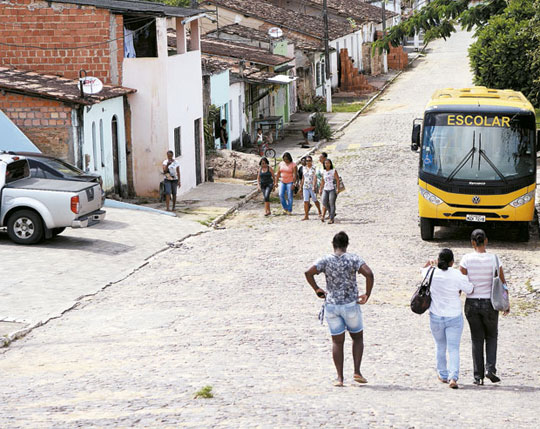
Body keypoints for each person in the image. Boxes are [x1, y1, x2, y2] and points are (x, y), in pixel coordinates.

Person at [305, 231, 374, 387]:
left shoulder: (325, 260)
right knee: (357, 337)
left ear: (333, 244)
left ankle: (340, 378)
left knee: (337, 342)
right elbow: (369, 274)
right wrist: (367, 294)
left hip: (332, 306)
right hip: (350, 304)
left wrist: (317, 289)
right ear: (347, 244)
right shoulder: (354, 259)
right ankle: (357, 371)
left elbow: (308, 272)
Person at [460, 229, 509, 386]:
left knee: (476, 339)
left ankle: (477, 376)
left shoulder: (466, 259)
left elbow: (460, 283)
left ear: (472, 243)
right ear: (486, 241)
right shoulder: (494, 259)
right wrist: (506, 302)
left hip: (472, 304)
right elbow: (502, 283)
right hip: (490, 304)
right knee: (492, 336)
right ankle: (490, 369)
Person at [423, 249, 474, 389]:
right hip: (454, 315)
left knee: (440, 345)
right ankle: (453, 377)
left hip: (436, 315)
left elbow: (422, 271)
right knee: (453, 348)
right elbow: (469, 289)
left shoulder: (431, 272)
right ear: (452, 262)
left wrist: (428, 264)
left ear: (438, 260)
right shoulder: (457, 275)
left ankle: (442, 374)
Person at [300, 156, 321, 220]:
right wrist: (301, 186)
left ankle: (319, 211)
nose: (308, 162)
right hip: (305, 186)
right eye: (307, 161)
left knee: (315, 200)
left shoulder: (314, 168)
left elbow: (315, 177)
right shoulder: (304, 168)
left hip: (312, 186)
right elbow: (303, 178)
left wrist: (314, 186)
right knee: (306, 201)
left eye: (309, 161)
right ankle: (306, 215)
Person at [319, 158, 340, 224]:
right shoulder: (324, 171)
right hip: (325, 188)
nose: (327, 164)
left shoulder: (333, 171)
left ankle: (331, 218)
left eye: (328, 163)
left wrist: (338, 188)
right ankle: (332, 212)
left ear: (330, 164)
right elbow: (323, 181)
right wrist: (320, 188)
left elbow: (337, 180)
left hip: (332, 188)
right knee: (324, 202)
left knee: (331, 203)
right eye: (326, 163)